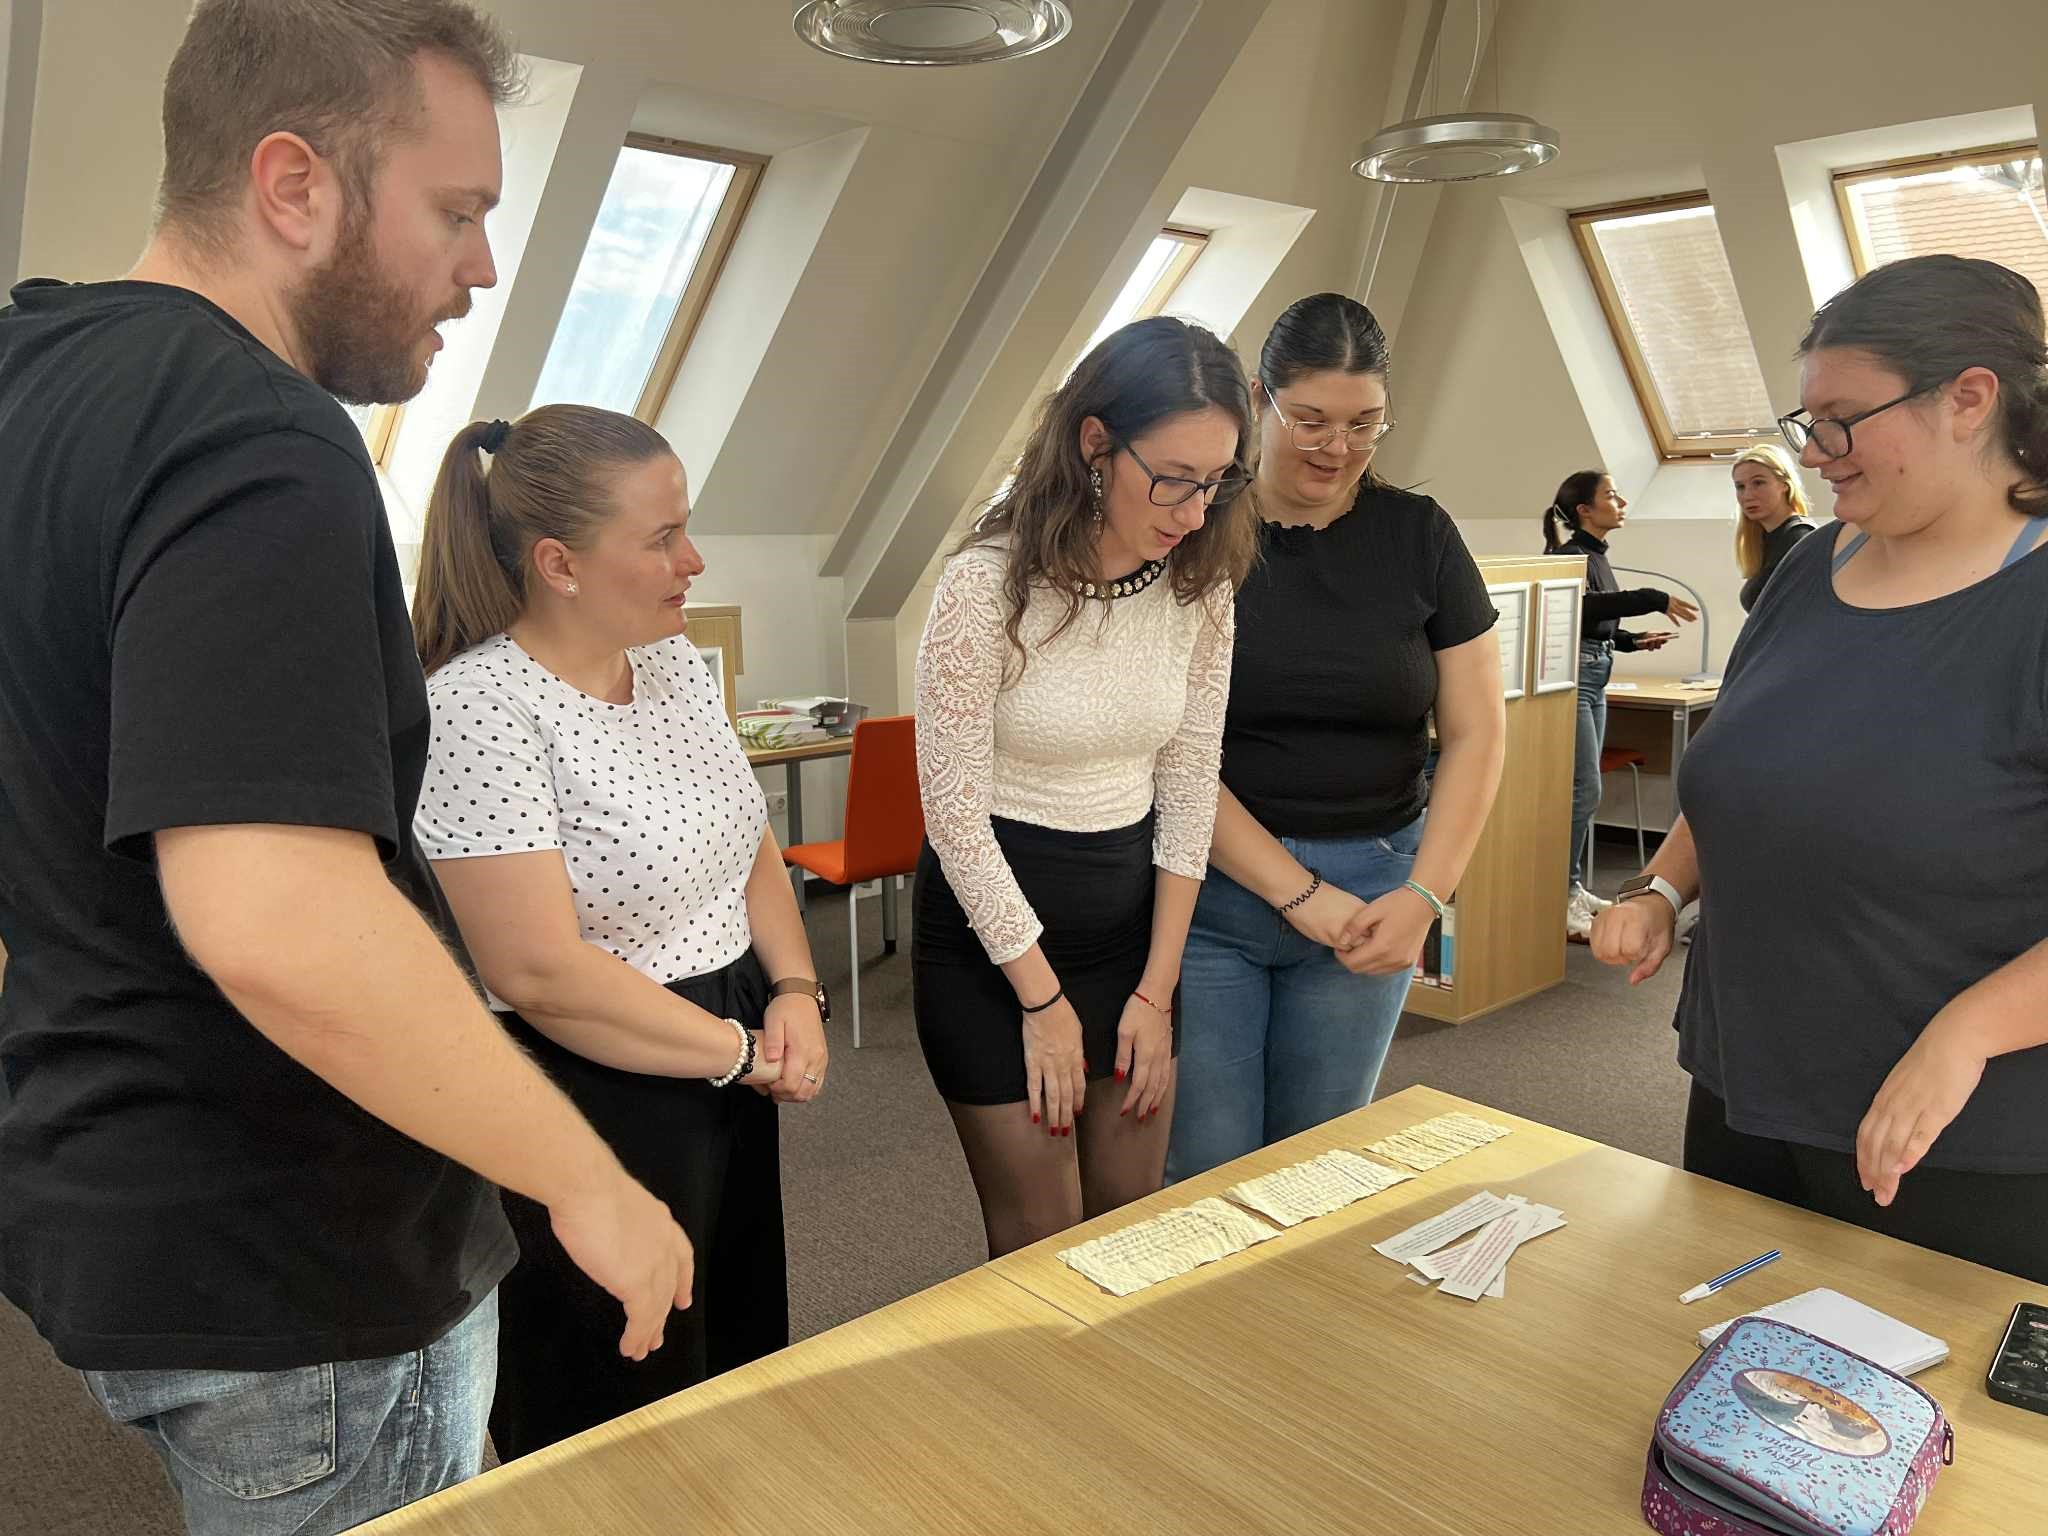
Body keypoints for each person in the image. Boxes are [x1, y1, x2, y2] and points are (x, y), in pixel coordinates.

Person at [0, 6, 693, 1531]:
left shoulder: (33, 369)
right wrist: (584, 1177)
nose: (483, 266)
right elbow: (279, 916)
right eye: (455, 212)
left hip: (103, 1184)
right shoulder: (264, 440)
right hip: (294, 1244)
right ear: (295, 187)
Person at [1591, 254, 2048, 1284]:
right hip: (1747, 1084)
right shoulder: (1809, 567)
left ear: (1968, 399)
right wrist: (1663, 887)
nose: (1814, 453)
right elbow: (1748, 771)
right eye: (1807, 422)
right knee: (1724, 1357)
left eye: (1840, 421)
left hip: (1951, 1136)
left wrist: (1970, 1030)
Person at [411, 405, 830, 1457]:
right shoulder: (478, 707)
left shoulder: (672, 662)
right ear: (558, 563)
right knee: (614, 1403)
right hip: (594, 1084)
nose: (693, 561)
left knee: (732, 1354)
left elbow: (747, 837)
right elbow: (539, 973)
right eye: (661, 538)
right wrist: (739, 1052)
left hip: (728, 1043)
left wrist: (793, 989)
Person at [913, 316, 1254, 1256]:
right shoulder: (983, 587)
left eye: (1217, 481)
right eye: (1173, 478)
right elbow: (952, 815)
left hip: (1131, 943)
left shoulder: (1201, 589)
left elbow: (1189, 787)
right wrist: (1040, 999)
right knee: (1043, 1244)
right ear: (1095, 444)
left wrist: (1157, 989)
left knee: (1131, 1231)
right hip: (993, 952)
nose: (1195, 513)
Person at [1166, 294, 1505, 1181]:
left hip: (1375, 891)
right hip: (1207, 891)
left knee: (1316, 1166)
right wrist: (1297, 893)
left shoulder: (1420, 535)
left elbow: (1476, 732)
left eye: (1365, 424)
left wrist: (1426, 894)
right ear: (1258, 399)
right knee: (1204, 1168)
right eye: (1310, 419)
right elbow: (1169, 750)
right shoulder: (1193, 530)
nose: (1337, 447)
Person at [1541, 472, 1697, 938]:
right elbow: (1581, 608)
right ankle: (1559, 896)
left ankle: (1570, 886)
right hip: (1576, 677)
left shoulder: (1594, 556)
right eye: (1610, 495)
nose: (1621, 501)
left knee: (1586, 789)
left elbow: (1592, 618)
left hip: (1596, 672)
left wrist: (1630, 640)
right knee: (1584, 789)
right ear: (1585, 510)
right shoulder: (1569, 556)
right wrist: (1652, 598)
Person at [1732, 441, 1816, 612]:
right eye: (1740, 487)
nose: (1747, 495)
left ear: (1784, 484)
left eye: (1758, 483)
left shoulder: (1798, 536)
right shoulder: (1765, 540)